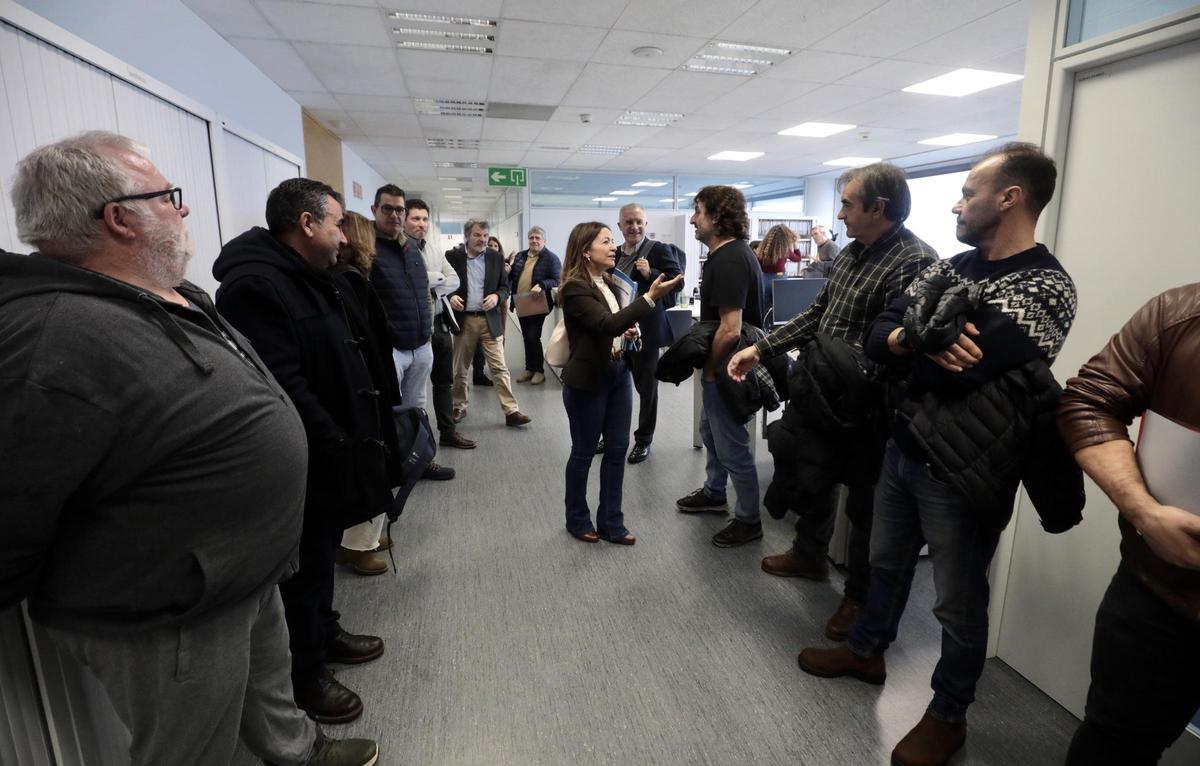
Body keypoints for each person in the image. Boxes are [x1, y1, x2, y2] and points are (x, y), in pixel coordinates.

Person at [0, 131, 376, 765]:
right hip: (171, 607)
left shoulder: (165, 292)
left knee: (268, 687)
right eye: (167, 196)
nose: (183, 208)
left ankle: (297, 752)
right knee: (189, 744)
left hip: (241, 568)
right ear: (118, 218)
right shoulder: (52, 333)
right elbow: (16, 495)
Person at [795, 143, 1079, 766]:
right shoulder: (953, 266)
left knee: (957, 602)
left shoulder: (1045, 287)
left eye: (969, 193)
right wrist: (913, 338)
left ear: (1009, 198)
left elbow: (961, 374)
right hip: (905, 448)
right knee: (886, 564)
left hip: (967, 469)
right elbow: (880, 336)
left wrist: (911, 348)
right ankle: (866, 653)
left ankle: (949, 715)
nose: (957, 203)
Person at [727, 163, 938, 640]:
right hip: (821, 390)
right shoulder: (849, 255)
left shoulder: (915, 261)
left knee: (866, 505)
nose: (839, 214)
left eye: (847, 204)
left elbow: (901, 345)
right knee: (812, 475)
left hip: (870, 406)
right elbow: (818, 314)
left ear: (878, 208)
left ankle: (858, 598)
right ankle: (809, 554)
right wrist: (761, 348)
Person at [214, 178, 394, 727]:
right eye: (337, 223)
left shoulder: (308, 275)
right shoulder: (256, 287)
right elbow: (283, 384)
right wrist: (335, 441)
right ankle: (305, 673)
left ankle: (325, 631)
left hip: (332, 448)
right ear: (307, 224)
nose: (346, 235)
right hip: (307, 454)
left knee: (320, 554)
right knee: (301, 569)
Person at [1058, 283, 1200, 766]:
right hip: (1160, 592)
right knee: (1113, 744)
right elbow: (1090, 401)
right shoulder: (1179, 313)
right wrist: (1144, 512)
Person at [558, 221, 683, 544]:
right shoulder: (574, 287)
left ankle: (612, 522)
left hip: (618, 373)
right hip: (588, 380)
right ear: (586, 251)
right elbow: (606, 323)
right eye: (605, 241)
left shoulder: (611, 282)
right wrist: (650, 297)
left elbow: (615, 325)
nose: (613, 247)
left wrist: (629, 331)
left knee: (617, 450)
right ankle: (577, 519)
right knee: (584, 452)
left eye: (612, 241)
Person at [675, 185, 766, 547]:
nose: (693, 220)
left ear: (716, 216)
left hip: (729, 368)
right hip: (727, 364)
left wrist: (711, 371)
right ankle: (714, 492)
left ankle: (749, 519)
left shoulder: (730, 259)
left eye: (698, 211)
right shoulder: (724, 255)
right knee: (710, 432)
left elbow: (730, 329)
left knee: (731, 444)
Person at [332, 211, 400, 577]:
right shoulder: (349, 280)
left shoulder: (348, 277)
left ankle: (362, 538)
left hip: (366, 383)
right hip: (366, 386)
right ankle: (358, 546)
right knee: (371, 464)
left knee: (372, 464)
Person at [369, 184, 453, 481]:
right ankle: (392, 469)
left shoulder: (412, 250)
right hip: (391, 348)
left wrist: (427, 332)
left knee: (417, 407)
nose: (395, 215)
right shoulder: (368, 250)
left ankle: (422, 460)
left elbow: (424, 295)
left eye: (399, 210)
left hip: (420, 344)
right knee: (388, 410)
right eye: (387, 209)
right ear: (375, 210)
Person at [610, 203, 684, 464]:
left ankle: (643, 440)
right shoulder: (614, 253)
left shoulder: (658, 250)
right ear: (620, 226)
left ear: (645, 224)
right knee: (613, 387)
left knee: (646, 390)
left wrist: (650, 273)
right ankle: (610, 435)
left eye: (639, 222)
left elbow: (678, 281)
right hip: (618, 330)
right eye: (629, 222)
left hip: (646, 333)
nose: (634, 227)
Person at [404, 198, 475, 450]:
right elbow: (406, 282)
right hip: (414, 327)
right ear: (404, 220)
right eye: (415, 218)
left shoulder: (433, 249)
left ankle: (447, 431)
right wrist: (434, 280)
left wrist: (428, 283)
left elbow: (453, 280)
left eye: (425, 219)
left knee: (444, 382)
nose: (421, 224)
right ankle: (415, 442)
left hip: (440, 323)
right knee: (414, 389)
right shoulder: (398, 249)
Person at [447, 219, 531, 427]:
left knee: (499, 367)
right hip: (464, 320)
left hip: (489, 320)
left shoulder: (496, 257)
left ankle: (511, 411)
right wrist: (450, 296)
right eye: (477, 235)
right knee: (460, 369)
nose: (482, 239)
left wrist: (496, 296)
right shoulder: (452, 257)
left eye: (485, 235)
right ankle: (459, 406)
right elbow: (443, 284)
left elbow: (505, 287)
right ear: (467, 236)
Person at [508, 226, 561, 386]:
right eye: (531, 238)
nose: (534, 240)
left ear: (544, 240)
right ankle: (529, 368)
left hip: (538, 303)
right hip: (521, 301)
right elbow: (512, 275)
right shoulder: (520, 256)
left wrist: (542, 284)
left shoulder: (551, 258)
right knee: (526, 337)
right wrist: (507, 267)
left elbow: (557, 280)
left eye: (538, 238)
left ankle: (539, 371)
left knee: (533, 337)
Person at [756, 223, 798, 316]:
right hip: (779, 279)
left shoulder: (763, 247)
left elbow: (758, 264)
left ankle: (764, 324)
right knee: (779, 307)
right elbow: (797, 258)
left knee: (764, 307)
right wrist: (795, 245)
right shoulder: (784, 249)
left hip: (764, 278)